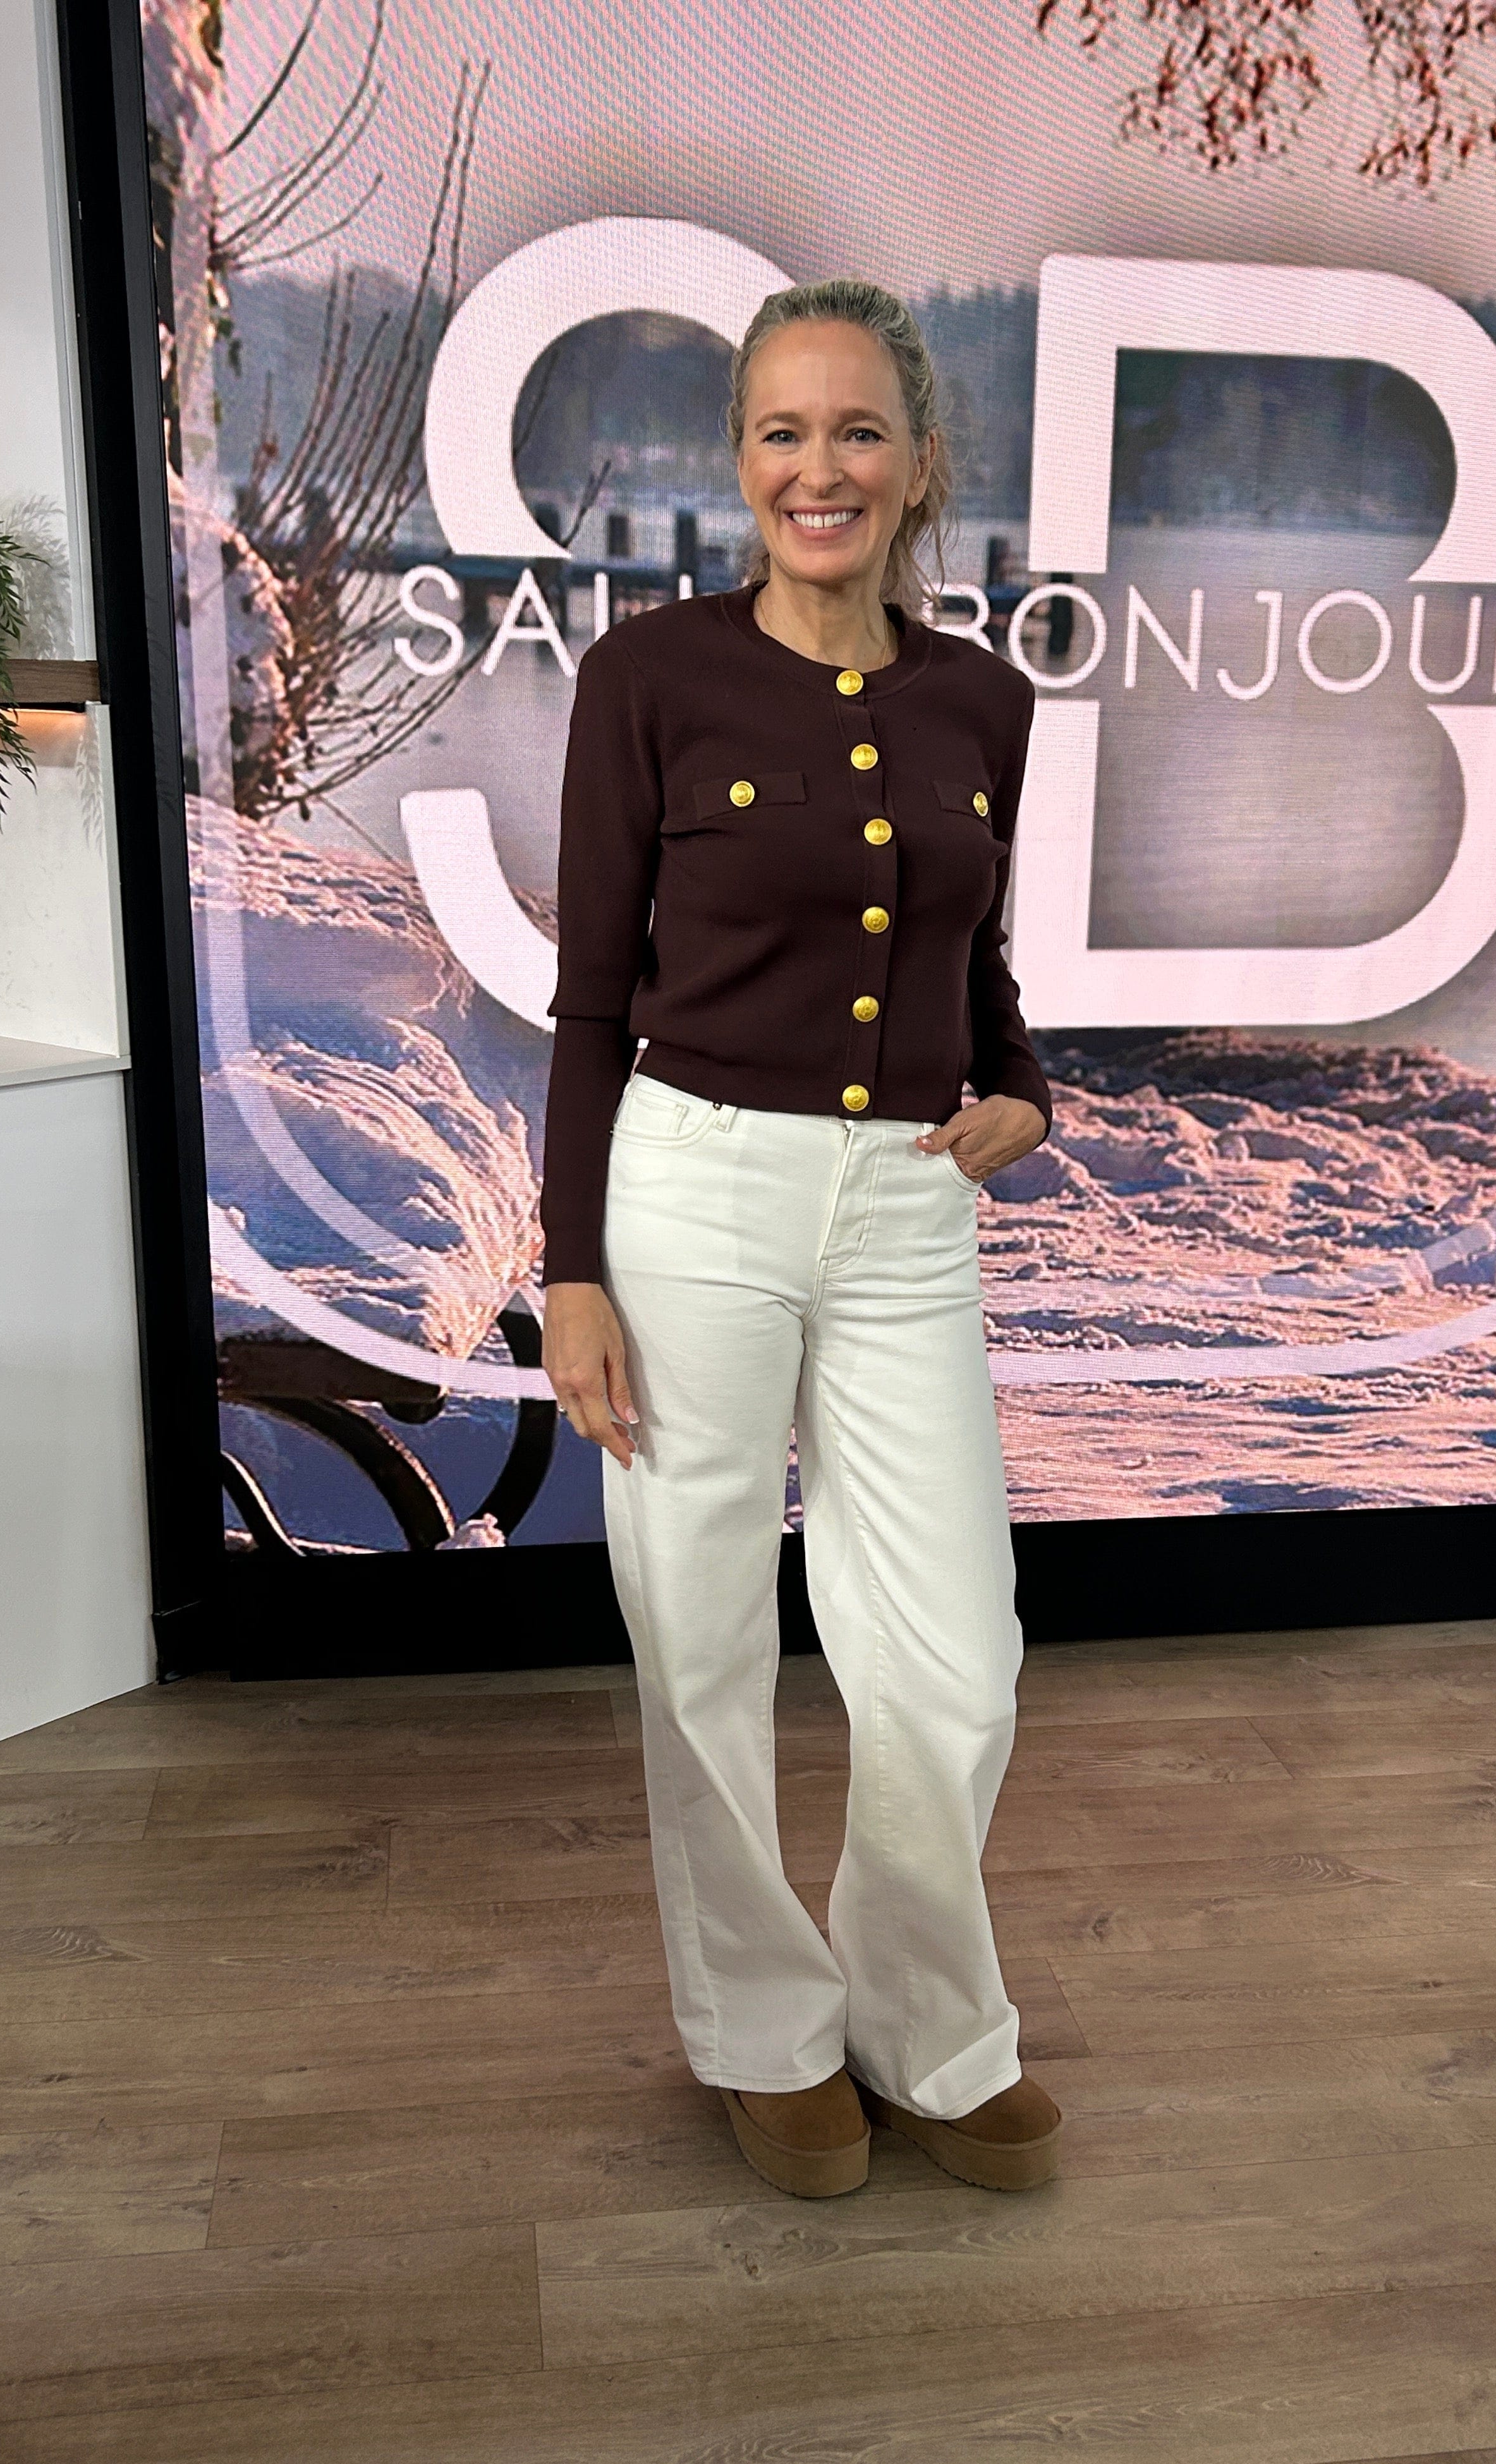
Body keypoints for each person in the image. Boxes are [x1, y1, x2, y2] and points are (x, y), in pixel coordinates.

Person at [540, 277, 1061, 2199]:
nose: (816, 469)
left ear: (921, 464)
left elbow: (974, 957)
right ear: (740, 460)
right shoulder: (649, 680)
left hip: (911, 1202)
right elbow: (592, 999)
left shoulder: (983, 701)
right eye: (781, 432)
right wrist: (570, 1269)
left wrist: (1022, 1087)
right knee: (701, 1639)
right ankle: (762, 2029)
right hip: (693, 1189)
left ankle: (926, 2027)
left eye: (856, 432)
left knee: (957, 1660)